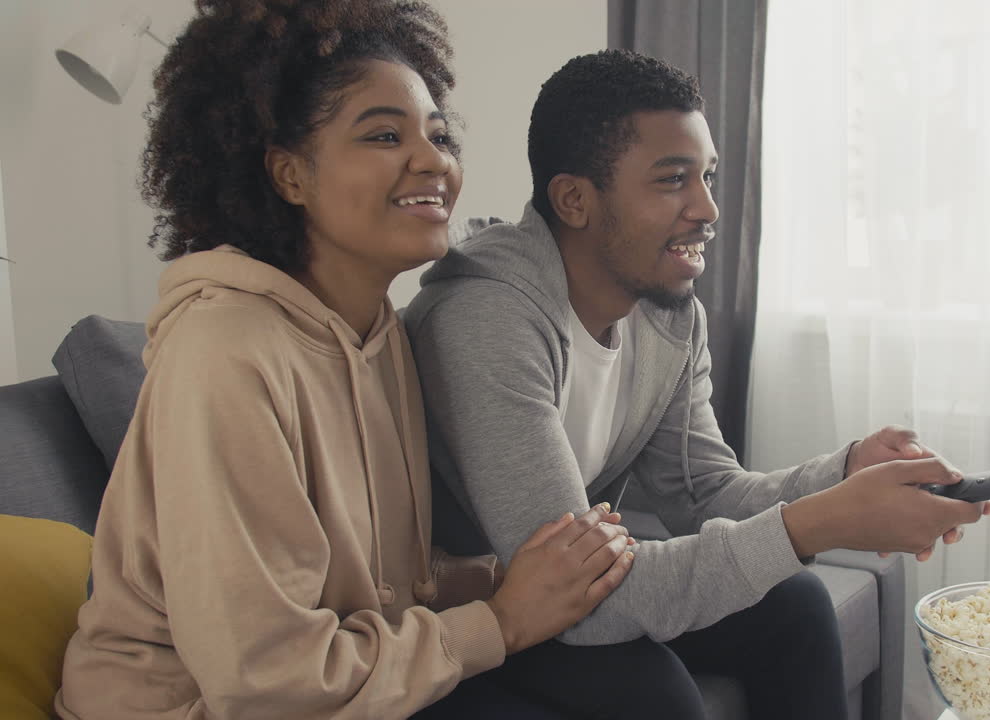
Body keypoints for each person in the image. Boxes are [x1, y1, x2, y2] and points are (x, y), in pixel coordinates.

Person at [54, 4, 633, 719]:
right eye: (385, 135)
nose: (434, 161)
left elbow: (384, 589)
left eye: (440, 135)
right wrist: (505, 619)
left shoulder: (378, 334)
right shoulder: (223, 355)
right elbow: (264, 680)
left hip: (349, 675)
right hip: (199, 707)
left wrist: (519, 577)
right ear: (289, 175)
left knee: (635, 679)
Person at [404, 49, 990, 719]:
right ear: (575, 199)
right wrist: (821, 521)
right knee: (651, 692)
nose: (708, 207)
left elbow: (705, 493)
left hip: (566, 589)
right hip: (474, 609)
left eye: (708, 176)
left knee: (795, 605)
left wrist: (847, 472)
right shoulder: (485, 319)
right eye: (673, 180)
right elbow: (574, 597)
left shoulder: (669, 315)